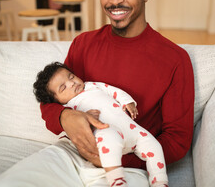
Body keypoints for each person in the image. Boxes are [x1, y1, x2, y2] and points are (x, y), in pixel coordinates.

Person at [0, 0, 194, 187]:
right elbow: (51, 98)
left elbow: (177, 141)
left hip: (128, 165)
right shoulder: (84, 44)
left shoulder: (175, 59)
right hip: (71, 153)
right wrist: (65, 117)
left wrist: (118, 159)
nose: (115, 0)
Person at [33, 62, 169, 187]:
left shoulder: (93, 86)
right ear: (57, 100)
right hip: (108, 133)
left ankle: (160, 180)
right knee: (108, 137)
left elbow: (113, 91)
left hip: (131, 130)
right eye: (63, 87)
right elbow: (78, 129)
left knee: (154, 145)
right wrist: (86, 118)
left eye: (71, 77)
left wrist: (128, 102)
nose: (72, 83)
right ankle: (116, 178)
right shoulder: (69, 106)